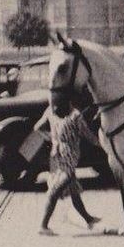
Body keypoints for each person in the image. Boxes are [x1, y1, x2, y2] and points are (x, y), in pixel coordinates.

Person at [38, 100, 101, 236]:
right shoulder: (75, 115)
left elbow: (38, 127)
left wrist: (53, 140)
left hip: (56, 154)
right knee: (56, 189)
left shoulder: (50, 110)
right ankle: (43, 225)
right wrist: (102, 144)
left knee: (73, 189)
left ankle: (88, 218)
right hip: (70, 154)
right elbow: (87, 134)